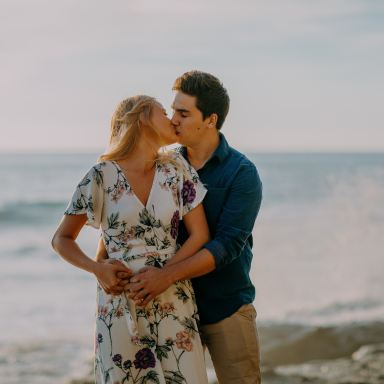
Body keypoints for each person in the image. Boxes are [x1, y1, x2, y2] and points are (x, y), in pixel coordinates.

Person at [98, 72, 263, 383]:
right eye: (173, 110)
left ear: (210, 119)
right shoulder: (164, 164)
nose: (174, 120)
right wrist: (104, 265)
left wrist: (166, 275)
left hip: (224, 306)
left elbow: (226, 246)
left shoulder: (242, 174)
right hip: (169, 307)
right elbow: (123, 221)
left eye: (184, 113)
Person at [51, 95, 210, 384]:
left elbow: (201, 235)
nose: (172, 118)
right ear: (142, 118)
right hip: (119, 303)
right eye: (163, 112)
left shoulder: (177, 169)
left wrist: (165, 274)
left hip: (173, 298)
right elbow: (61, 239)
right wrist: (96, 269)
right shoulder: (100, 176)